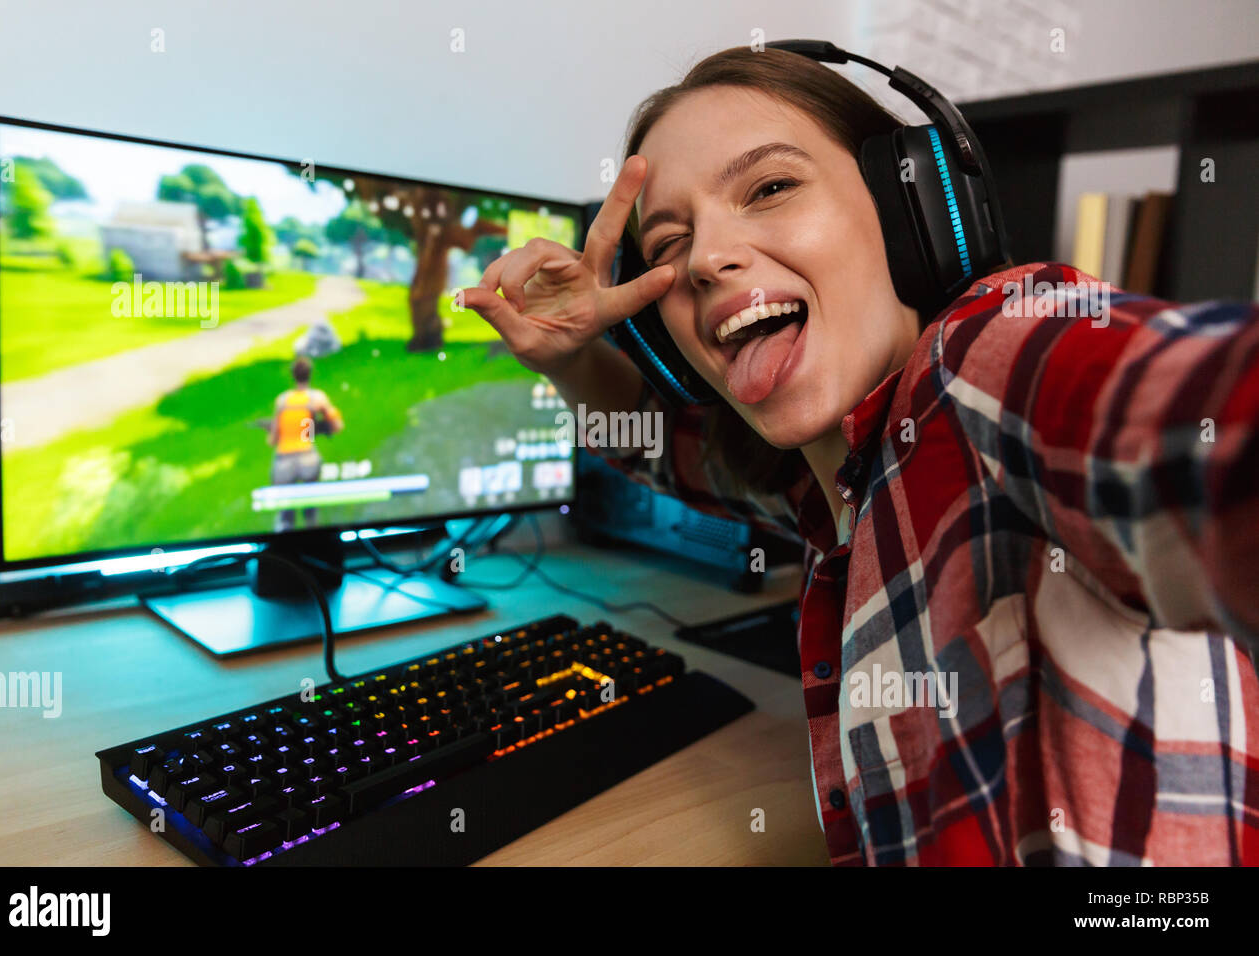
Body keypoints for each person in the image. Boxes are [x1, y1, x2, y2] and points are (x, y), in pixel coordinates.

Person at [461, 45, 1259, 866]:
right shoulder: (839, 480)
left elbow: (1192, 409)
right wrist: (566, 356)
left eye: (769, 188)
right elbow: (661, 448)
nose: (703, 261)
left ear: (911, 211)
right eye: (668, 246)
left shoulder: (987, 355)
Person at [267, 356, 345, 532]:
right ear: (310, 374)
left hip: (283, 462)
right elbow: (337, 425)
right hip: (307, 458)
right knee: (311, 512)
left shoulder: (282, 400)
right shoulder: (317, 398)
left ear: (293, 376)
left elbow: (272, 440)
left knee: (285, 516)